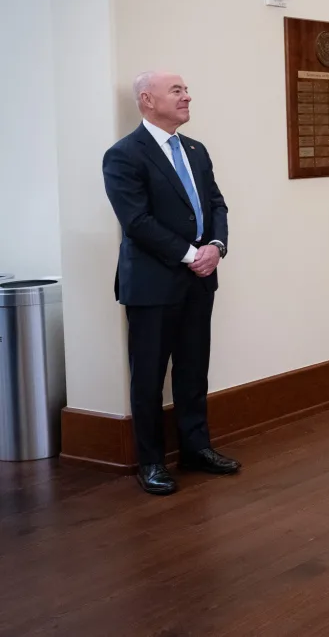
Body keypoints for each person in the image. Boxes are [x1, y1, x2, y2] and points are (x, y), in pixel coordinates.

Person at [102, 72, 240, 495]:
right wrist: (188, 254)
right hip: (152, 284)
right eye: (177, 91)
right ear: (147, 100)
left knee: (193, 370)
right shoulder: (124, 155)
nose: (187, 97)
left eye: (185, 90)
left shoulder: (195, 150)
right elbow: (137, 221)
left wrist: (215, 245)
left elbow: (216, 203)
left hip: (200, 280)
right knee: (148, 376)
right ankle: (152, 463)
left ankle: (196, 449)